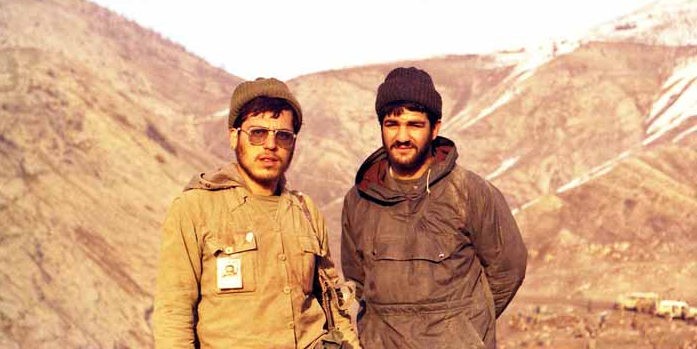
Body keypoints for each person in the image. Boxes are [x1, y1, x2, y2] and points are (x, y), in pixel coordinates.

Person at [153, 77, 359, 349]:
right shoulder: (195, 209)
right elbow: (173, 313)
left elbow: (335, 309)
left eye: (282, 136)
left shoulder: (306, 211)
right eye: (258, 133)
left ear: (293, 143)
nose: (270, 145)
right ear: (234, 136)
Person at [341, 67, 527, 349]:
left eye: (414, 125)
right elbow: (357, 279)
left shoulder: (469, 192)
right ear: (381, 127)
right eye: (392, 124)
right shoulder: (359, 200)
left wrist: (465, 329)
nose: (402, 136)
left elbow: (509, 269)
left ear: (435, 128)